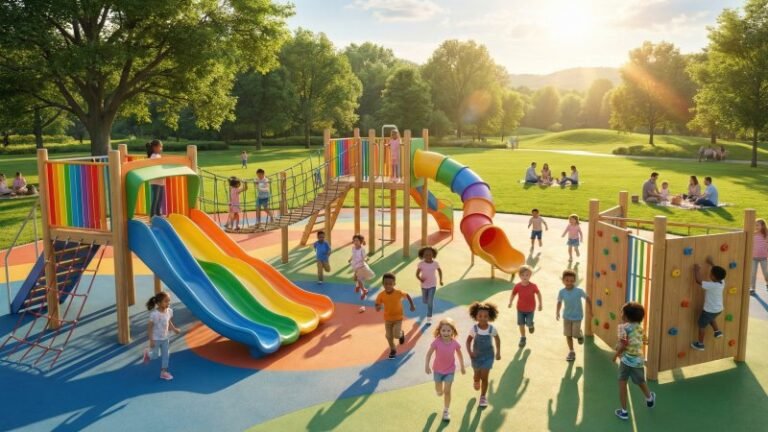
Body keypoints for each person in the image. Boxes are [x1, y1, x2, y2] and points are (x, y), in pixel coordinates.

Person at [613, 302, 656, 421]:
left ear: (626, 316)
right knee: (640, 381)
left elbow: (623, 344)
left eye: (622, 312)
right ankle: (649, 398)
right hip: (638, 361)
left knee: (622, 383)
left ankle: (624, 411)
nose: (621, 314)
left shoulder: (622, 328)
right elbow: (645, 340)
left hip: (626, 360)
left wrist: (615, 355)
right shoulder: (640, 328)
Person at [424, 318, 466, 422]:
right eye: (443, 330)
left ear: (452, 331)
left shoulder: (454, 343)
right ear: (439, 331)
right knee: (439, 390)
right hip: (437, 370)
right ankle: (439, 391)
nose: (446, 333)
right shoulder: (437, 342)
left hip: (450, 370)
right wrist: (427, 365)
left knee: (447, 391)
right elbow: (429, 354)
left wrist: (462, 366)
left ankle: (446, 411)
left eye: (448, 330)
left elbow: (459, 354)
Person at [466, 302, 501, 408]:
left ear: (490, 317)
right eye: (480, 316)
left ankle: (483, 397)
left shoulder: (492, 329)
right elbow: (468, 342)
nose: (483, 318)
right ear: (476, 316)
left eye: (485, 316)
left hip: (488, 356)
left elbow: (497, 339)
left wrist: (498, 352)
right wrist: (470, 352)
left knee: (484, 377)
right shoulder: (474, 329)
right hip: (476, 357)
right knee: (477, 375)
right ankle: (476, 380)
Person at [375, 273, 416, 360]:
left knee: (396, 335)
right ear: (383, 284)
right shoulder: (381, 295)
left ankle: (401, 334)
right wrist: (378, 307)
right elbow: (377, 304)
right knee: (389, 336)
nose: (388, 286)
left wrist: (412, 305)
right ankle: (393, 350)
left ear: (394, 284)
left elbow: (407, 295)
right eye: (386, 283)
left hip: (398, 318)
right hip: (388, 319)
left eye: (390, 284)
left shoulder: (398, 293)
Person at [142, 291, 181, 380]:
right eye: (166, 301)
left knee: (166, 355)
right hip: (156, 339)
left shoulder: (169, 311)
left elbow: (168, 322)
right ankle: (148, 353)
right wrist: (151, 340)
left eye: (169, 301)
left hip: (165, 338)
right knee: (155, 356)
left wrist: (174, 329)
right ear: (159, 303)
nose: (168, 303)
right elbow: (150, 328)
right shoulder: (154, 314)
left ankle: (164, 372)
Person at [690, 257, 726, 351]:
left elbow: (698, 281)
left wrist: (696, 270)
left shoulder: (712, 286)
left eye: (711, 273)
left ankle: (700, 344)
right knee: (711, 318)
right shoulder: (722, 282)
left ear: (713, 277)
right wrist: (712, 263)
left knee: (702, 325)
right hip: (719, 309)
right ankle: (717, 331)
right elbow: (716, 271)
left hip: (709, 310)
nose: (709, 274)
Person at [556, 269, 592, 362]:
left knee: (575, 335)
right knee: (568, 335)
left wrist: (590, 310)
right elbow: (559, 302)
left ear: (574, 281)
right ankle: (571, 351)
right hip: (567, 317)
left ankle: (579, 334)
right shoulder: (562, 292)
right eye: (567, 280)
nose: (569, 282)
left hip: (577, 317)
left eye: (572, 281)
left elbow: (588, 298)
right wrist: (557, 312)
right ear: (563, 280)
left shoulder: (579, 291)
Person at [507, 265, 542, 348]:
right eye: (522, 275)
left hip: (530, 310)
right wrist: (510, 302)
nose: (525, 277)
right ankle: (523, 337)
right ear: (519, 276)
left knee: (528, 323)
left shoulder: (533, 286)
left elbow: (538, 294)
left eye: (527, 275)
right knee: (521, 324)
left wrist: (540, 304)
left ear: (530, 275)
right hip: (520, 309)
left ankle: (531, 325)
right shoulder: (517, 286)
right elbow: (513, 294)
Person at [416, 246, 443, 324]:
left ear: (433, 255)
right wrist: (420, 279)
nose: (428, 256)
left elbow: (440, 271)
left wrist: (441, 280)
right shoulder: (421, 264)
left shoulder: (435, 263)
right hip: (424, 285)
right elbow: (417, 274)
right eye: (426, 255)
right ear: (423, 255)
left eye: (430, 254)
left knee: (430, 302)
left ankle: (429, 318)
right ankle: (430, 301)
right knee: (425, 301)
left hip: (432, 285)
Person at [349, 234, 373, 312]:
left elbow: (364, 256)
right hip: (355, 265)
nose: (355, 242)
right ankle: (358, 286)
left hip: (361, 266)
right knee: (355, 279)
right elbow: (353, 255)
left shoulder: (362, 249)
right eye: (354, 240)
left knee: (359, 279)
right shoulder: (353, 248)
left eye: (357, 241)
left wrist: (366, 259)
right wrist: (350, 259)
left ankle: (364, 290)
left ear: (361, 242)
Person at [146, 140, 165, 217]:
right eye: (160, 146)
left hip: (160, 180)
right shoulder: (154, 156)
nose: (161, 148)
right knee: (156, 199)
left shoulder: (158, 156)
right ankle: (152, 215)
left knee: (159, 198)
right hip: (155, 180)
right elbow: (155, 167)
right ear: (154, 147)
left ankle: (158, 214)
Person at [751, 219, 768, 293]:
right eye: (755, 225)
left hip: (763, 257)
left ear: (763, 226)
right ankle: (752, 288)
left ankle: (767, 283)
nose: (756, 227)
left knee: (766, 273)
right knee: (753, 273)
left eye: (758, 225)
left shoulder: (766, 234)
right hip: (753, 258)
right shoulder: (753, 234)